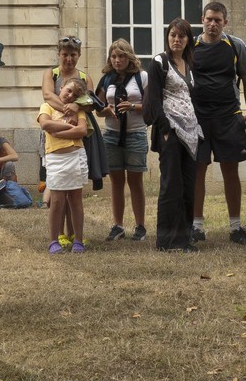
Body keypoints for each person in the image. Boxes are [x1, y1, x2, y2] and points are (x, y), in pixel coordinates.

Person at [190, 2, 246, 245]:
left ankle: (236, 227)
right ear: (202, 19)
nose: (213, 24)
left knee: (230, 171)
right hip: (198, 119)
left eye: (218, 20)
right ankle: (196, 227)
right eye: (209, 19)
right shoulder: (191, 46)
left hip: (229, 117)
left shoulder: (235, 45)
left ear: (225, 22)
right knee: (198, 170)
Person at [144, 18, 203, 252]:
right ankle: (167, 241)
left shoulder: (189, 65)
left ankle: (185, 237)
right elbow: (154, 101)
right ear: (168, 37)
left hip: (191, 134)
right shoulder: (159, 62)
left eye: (181, 36)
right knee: (171, 187)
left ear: (188, 40)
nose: (176, 40)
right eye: (172, 35)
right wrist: (166, 131)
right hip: (171, 133)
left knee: (188, 186)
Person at [96, 39, 149, 241]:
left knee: (135, 181)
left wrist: (133, 107)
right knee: (116, 181)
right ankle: (117, 225)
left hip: (135, 134)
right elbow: (98, 106)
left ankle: (140, 226)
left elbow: (151, 105)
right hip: (111, 135)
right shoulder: (107, 78)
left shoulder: (142, 77)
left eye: (121, 56)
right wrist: (106, 110)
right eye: (114, 56)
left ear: (129, 57)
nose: (117, 60)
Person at [39, 77, 92, 252]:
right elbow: (45, 123)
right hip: (55, 159)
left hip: (75, 156)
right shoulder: (47, 106)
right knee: (57, 200)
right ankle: (53, 240)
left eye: (75, 94)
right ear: (60, 87)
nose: (70, 95)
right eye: (68, 90)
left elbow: (82, 130)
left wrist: (58, 131)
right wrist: (66, 126)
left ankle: (78, 239)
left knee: (76, 199)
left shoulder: (78, 112)